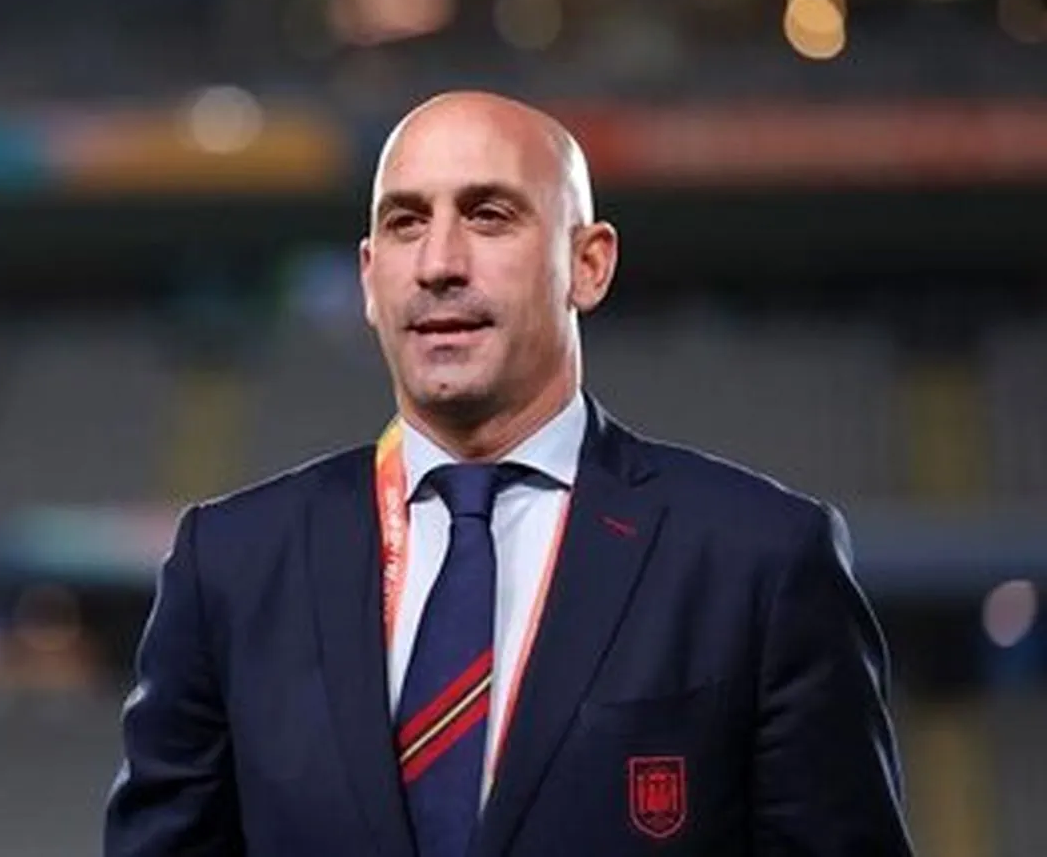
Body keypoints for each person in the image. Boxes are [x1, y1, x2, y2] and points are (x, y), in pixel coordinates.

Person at [104, 91, 915, 857]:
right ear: (369, 276)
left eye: (489, 216)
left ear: (588, 264)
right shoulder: (230, 566)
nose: (439, 263)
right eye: (406, 223)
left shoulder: (760, 559)